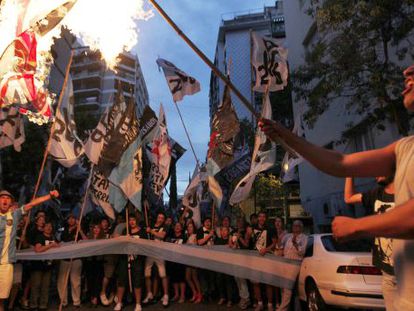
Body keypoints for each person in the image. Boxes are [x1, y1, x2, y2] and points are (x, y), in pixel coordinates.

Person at [259, 65, 414, 309]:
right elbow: (340, 163)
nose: (407, 71)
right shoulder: (404, 147)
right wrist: (284, 134)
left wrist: (357, 226)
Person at [0, 190, 59, 311]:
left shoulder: (15, 215)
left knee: (2, 299)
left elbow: (32, 204)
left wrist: (49, 196)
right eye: (2, 198)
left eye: (7, 198)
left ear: (11, 202)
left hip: (6, 265)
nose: (5, 200)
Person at [344, 176, 396, 310]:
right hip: (388, 274)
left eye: (379, 168)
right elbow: (348, 198)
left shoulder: (407, 193)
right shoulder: (376, 194)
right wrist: (350, 173)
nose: (374, 174)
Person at [113, 213, 146, 311]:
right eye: (130, 220)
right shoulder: (125, 230)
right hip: (124, 259)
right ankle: (119, 303)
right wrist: (123, 238)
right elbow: (118, 242)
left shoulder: (142, 232)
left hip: (137, 260)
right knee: (122, 280)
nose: (132, 222)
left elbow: (145, 246)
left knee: (137, 281)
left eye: (133, 220)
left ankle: (138, 304)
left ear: (137, 220)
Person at [57, 213, 86, 309]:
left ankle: (76, 301)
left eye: (73, 218)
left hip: (76, 259)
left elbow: (86, 241)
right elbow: (61, 239)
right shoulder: (63, 229)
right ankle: (63, 301)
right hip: (65, 259)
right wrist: (71, 230)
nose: (71, 220)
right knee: (62, 281)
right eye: (69, 218)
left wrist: (80, 230)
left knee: (75, 281)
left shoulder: (80, 229)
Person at [277, 220, 307, 311]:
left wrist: (295, 243)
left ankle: (282, 309)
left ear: (301, 228)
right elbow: (280, 247)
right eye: (294, 225)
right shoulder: (288, 236)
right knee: (282, 286)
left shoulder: (304, 237)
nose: (295, 227)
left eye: (298, 226)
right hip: (285, 262)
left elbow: (302, 252)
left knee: (287, 286)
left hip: (295, 264)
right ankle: (286, 306)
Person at [30, 221, 60, 310]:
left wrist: (56, 245)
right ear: (43, 228)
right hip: (38, 266)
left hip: (48, 266)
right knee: (36, 285)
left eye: (50, 226)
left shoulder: (53, 237)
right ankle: (33, 305)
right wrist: (50, 246)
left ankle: (43, 305)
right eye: (47, 226)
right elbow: (37, 250)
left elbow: (59, 246)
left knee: (46, 287)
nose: (49, 227)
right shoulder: (40, 237)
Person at [143, 211, 169, 307]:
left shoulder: (165, 227)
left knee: (163, 274)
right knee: (147, 274)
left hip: (160, 253)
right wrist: (147, 232)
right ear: (157, 217)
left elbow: (162, 235)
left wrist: (151, 231)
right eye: (159, 217)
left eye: (162, 218)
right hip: (149, 252)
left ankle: (166, 295)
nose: (161, 219)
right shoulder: (150, 225)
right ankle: (149, 294)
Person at [251, 211, 275, 311]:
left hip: (267, 257)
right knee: (256, 281)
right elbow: (250, 242)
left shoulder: (271, 228)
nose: (261, 218)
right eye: (260, 216)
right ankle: (260, 303)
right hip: (255, 258)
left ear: (266, 218)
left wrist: (266, 249)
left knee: (268, 282)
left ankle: (270, 304)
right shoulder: (252, 228)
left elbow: (274, 243)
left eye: (263, 216)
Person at [229, 217, 252, 310]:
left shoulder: (246, 232)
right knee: (237, 278)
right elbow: (230, 243)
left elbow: (246, 245)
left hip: (243, 258)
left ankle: (246, 298)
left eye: (240, 221)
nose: (238, 223)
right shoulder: (233, 231)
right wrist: (233, 245)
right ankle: (242, 297)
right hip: (235, 258)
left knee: (242, 278)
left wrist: (240, 238)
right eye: (237, 221)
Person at [84, 223, 105, 307]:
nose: (96, 229)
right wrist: (81, 231)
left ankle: (95, 298)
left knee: (97, 281)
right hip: (89, 262)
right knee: (90, 280)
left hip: (98, 262)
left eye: (98, 228)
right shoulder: (89, 238)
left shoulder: (103, 238)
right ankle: (91, 297)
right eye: (94, 228)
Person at [196, 217, 216, 302]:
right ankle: (205, 294)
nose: (208, 223)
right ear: (203, 223)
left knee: (210, 275)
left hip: (211, 257)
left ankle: (211, 293)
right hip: (202, 256)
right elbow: (199, 242)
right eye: (206, 221)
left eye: (209, 222)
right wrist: (209, 236)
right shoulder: (200, 230)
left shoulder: (213, 231)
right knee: (203, 275)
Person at [167, 222, 187, 304]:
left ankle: (182, 295)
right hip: (172, 260)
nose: (177, 227)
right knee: (174, 278)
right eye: (176, 226)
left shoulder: (184, 237)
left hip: (181, 260)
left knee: (181, 279)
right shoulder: (170, 237)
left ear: (181, 228)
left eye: (179, 226)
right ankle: (176, 294)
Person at [215, 226, 234, 307]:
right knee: (219, 281)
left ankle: (230, 299)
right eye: (222, 230)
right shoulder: (217, 240)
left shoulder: (230, 240)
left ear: (228, 231)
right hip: (220, 264)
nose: (223, 232)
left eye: (225, 230)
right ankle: (222, 297)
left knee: (228, 281)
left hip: (228, 264)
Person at [184, 221, 202, 304]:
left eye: (191, 227)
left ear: (194, 228)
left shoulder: (195, 236)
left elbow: (195, 247)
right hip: (188, 259)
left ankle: (199, 294)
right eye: (188, 227)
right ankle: (194, 292)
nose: (189, 228)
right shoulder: (188, 236)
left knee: (194, 277)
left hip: (193, 259)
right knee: (188, 277)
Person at [272, 217, 287, 309]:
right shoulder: (272, 232)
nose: (277, 223)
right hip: (274, 258)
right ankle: (277, 302)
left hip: (283, 259)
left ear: (282, 223)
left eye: (279, 221)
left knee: (283, 283)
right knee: (275, 283)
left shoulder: (286, 234)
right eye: (276, 221)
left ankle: (283, 303)